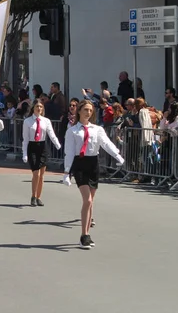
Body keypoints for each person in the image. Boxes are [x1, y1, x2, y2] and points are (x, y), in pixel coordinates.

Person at [63, 100, 124, 250]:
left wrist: (118, 155)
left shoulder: (97, 129)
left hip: (93, 164)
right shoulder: (72, 131)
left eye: (90, 110)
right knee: (88, 200)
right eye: (85, 110)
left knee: (91, 201)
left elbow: (106, 144)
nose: (88, 113)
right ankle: (83, 235)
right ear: (79, 111)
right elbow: (69, 152)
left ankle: (87, 234)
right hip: (79, 164)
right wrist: (66, 172)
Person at [22, 99, 61, 206]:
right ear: (33, 108)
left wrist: (57, 144)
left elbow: (51, 134)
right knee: (36, 173)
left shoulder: (46, 121)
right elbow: (25, 139)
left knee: (42, 175)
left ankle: (39, 197)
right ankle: (33, 196)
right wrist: (24, 153)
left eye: (41, 107)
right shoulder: (27, 121)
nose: (39, 109)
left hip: (43, 147)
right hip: (32, 147)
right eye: (37, 107)